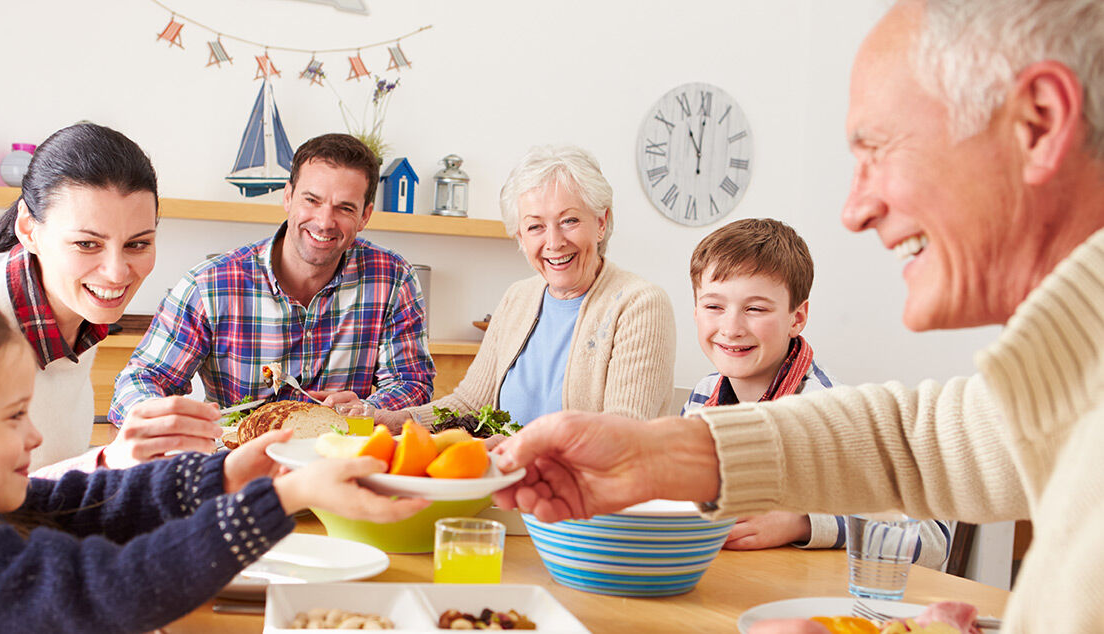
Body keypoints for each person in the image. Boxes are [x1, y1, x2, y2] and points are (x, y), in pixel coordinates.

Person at [492, 0, 1104, 630]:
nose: (854, 209)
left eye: (879, 150)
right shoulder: (1075, 375)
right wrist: (656, 455)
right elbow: (915, 444)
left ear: (1039, 122)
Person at [0, 285, 427, 633]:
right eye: (12, 416)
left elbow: (77, 505)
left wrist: (224, 474)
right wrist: (282, 498)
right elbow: (109, 588)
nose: (33, 435)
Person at [0, 122, 221, 475]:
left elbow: (49, 476)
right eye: (87, 244)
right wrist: (108, 461)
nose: (116, 273)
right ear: (28, 228)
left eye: (137, 244)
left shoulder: (77, 313)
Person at [110, 133, 434, 443]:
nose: (324, 221)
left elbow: (412, 382)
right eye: (312, 199)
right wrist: (168, 421)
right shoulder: (209, 286)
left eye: (344, 208)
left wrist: (366, 412)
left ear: (364, 216)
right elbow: (140, 382)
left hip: (346, 466)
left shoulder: (393, 279)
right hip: (237, 469)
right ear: (288, 197)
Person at [685, 218, 948, 564]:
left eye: (755, 309)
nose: (731, 328)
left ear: (797, 318)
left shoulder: (832, 409)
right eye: (714, 306)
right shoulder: (703, 397)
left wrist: (802, 523)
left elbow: (933, 537)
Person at [374, 146, 675, 432]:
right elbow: (469, 405)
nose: (554, 242)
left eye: (569, 220)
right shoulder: (518, 297)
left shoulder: (640, 304)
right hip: (506, 477)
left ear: (600, 222)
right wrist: (390, 420)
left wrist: (517, 448)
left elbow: (622, 431)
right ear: (520, 236)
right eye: (535, 227)